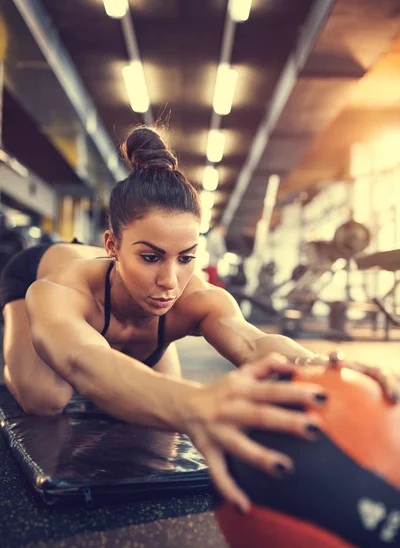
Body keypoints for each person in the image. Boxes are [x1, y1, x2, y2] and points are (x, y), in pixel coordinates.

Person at [1, 126, 397, 514]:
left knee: (158, 402)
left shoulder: (199, 299)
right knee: (45, 398)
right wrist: (194, 402)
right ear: (112, 247)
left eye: (186, 257)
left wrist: (320, 368)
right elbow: (82, 360)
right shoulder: (63, 289)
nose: (170, 281)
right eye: (151, 257)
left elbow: (254, 343)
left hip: (129, 324)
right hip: (29, 273)